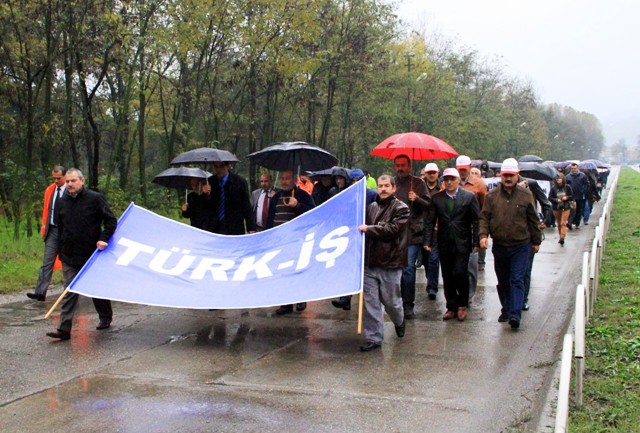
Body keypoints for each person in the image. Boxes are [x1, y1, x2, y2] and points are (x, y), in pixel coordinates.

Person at [46, 168, 118, 341]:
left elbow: (111, 221)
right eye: (68, 181)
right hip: (70, 255)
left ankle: (105, 316)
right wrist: (60, 250)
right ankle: (64, 329)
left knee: (96, 289)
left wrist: (103, 239)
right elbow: (60, 228)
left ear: (82, 181)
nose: (70, 184)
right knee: (69, 290)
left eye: (73, 181)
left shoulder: (95, 199)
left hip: (92, 254)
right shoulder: (62, 202)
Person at [479, 158, 542, 330]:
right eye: (505, 175)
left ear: (516, 175)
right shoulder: (491, 196)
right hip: (499, 245)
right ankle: (506, 308)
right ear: (500, 175)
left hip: (521, 245)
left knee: (516, 279)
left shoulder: (526, 195)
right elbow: (484, 217)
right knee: (503, 281)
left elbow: (533, 220)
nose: (508, 178)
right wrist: (483, 235)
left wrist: (536, 241)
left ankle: (515, 314)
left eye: (511, 175)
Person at [358, 174, 410, 351]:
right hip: (370, 263)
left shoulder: (401, 208)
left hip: (391, 263)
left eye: (387, 185)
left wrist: (369, 229)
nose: (383, 189)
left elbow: (392, 229)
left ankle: (399, 320)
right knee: (370, 302)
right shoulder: (371, 207)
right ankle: (374, 337)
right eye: (380, 186)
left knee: (392, 302)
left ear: (394, 188)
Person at [424, 168, 480, 321]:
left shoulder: (469, 197)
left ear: (458, 181)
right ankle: (451, 306)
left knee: (460, 272)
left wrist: (476, 241)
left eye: (452, 179)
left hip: (462, 242)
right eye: (446, 179)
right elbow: (430, 221)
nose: (449, 182)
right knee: (447, 274)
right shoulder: (437, 198)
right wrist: (427, 241)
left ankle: (462, 304)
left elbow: (476, 220)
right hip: (444, 242)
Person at [267, 169, 315, 315]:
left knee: (298, 271)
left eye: (287, 178)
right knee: (282, 272)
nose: (284, 181)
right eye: (282, 178)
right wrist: (267, 236)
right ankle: (285, 303)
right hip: (279, 241)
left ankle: (300, 298)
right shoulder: (276, 197)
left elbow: (313, 213)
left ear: (294, 180)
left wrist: (297, 205)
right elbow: (270, 218)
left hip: (297, 240)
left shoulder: (303, 195)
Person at [331, 168, 377, 311]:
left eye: (359, 180)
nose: (356, 183)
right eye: (353, 181)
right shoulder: (347, 195)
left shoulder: (372, 195)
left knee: (367, 271)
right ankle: (346, 298)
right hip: (351, 235)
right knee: (350, 267)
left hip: (368, 235)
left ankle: (369, 302)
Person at [393, 154, 431, 319]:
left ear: (409, 166)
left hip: (412, 234)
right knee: (395, 270)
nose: (400, 168)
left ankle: (408, 305)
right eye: (398, 165)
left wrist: (416, 199)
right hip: (393, 234)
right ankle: (397, 302)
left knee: (408, 269)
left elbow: (429, 205)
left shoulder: (418, 183)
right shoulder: (392, 183)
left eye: (403, 165)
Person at [27, 166, 67, 302]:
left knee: (69, 263)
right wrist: (45, 228)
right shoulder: (50, 190)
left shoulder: (71, 189)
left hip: (68, 232)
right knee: (47, 262)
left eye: (59, 178)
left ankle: (70, 293)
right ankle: (40, 292)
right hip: (52, 230)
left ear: (65, 176)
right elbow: (46, 210)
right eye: (54, 178)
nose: (56, 181)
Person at [517, 173, 552, 311]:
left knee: (525, 268)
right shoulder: (502, 186)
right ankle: (512, 299)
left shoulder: (531, 184)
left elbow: (546, 203)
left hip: (529, 232)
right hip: (509, 235)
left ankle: (523, 299)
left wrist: (546, 220)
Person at [456, 155, 487, 296]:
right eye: (460, 169)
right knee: (455, 266)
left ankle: (469, 295)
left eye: (464, 169)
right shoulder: (450, 182)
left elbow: (484, 207)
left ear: (469, 167)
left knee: (471, 264)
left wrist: (482, 231)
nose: (462, 172)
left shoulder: (479, 184)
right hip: (455, 230)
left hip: (472, 229)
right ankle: (458, 294)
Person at [203, 161, 256, 235]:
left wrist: (251, 228)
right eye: (216, 167)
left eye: (221, 166)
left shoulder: (239, 182)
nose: (218, 169)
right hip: (215, 227)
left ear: (227, 166)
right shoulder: (210, 181)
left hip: (234, 226)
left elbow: (246, 205)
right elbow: (205, 207)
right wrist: (205, 194)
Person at [421, 163, 442, 300]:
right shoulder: (419, 187)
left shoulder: (443, 188)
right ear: (426, 174)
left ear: (437, 173)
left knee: (434, 259)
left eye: (434, 172)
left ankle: (432, 287)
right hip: (420, 228)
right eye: (429, 172)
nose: (432, 175)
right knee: (426, 260)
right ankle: (431, 279)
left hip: (435, 229)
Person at [548, 174, 573, 245]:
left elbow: (572, 196)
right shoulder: (553, 188)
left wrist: (566, 198)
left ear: (563, 179)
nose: (558, 180)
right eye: (557, 179)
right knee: (559, 223)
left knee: (563, 222)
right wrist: (556, 200)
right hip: (557, 207)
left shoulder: (567, 187)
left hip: (566, 207)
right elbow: (550, 197)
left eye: (559, 178)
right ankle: (560, 236)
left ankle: (562, 237)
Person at [565, 163, 589, 229]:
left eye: (575, 168)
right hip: (571, 196)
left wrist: (583, 190)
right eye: (572, 168)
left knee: (579, 210)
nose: (574, 170)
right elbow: (565, 186)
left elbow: (586, 184)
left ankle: (577, 223)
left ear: (577, 168)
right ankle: (570, 222)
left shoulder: (582, 175)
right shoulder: (568, 176)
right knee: (571, 209)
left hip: (580, 195)